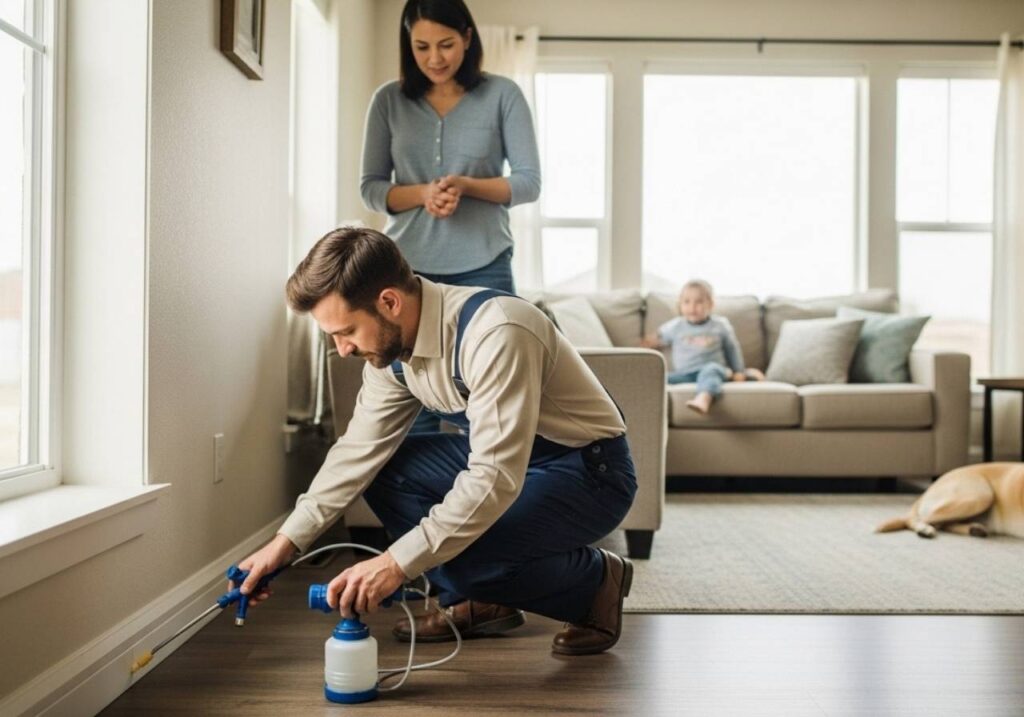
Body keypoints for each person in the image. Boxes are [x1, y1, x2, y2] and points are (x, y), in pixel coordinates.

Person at [236, 227, 637, 656]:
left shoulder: (496, 331)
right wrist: (284, 544)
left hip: (588, 471)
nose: (343, 349)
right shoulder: (390, 355)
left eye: (347, 330)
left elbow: (493, 477)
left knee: (461, 558)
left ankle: (595, 583)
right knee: (387, 473)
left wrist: (394, 564)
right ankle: (478, 600)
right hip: (510, 459)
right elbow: (356, 454)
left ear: (389, 302)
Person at [360, 0, 541, 296]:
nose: (435, 58)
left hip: (487, 265)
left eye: (446, 45)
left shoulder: (504, 95)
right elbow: (370, 188)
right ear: (409, 44)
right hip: (403, 267)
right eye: (422, 47)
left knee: (494, 344)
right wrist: (424, 193)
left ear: (467, 38)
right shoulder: (387, 100)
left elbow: (529, 183)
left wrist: (465, 186)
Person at [643, 279, 764, 414]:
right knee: (659, 378)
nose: (692, 307)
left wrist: (739, 371)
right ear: (680, 305)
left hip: (714, 369)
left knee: (711, 371)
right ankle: (747, 376)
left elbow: (732, 349)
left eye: (699, 302)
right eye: (687, 302)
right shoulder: (675, 326)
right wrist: (646, 345)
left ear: (711, 304)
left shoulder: (720, 325)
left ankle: (703, 398)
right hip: (685, 374)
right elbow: (656, 338)